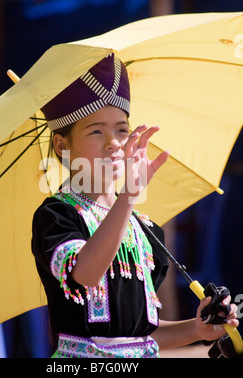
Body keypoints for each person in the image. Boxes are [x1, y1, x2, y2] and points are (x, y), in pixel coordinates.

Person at [31, 53, 239, 358]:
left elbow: (142, 333)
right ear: (63, 145)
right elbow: (85, 275)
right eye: (96, 131)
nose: (113, 142)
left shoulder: (144, 229)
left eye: (122, 130)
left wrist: (197, 329)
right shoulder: (56, 216)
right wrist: (128, 194)